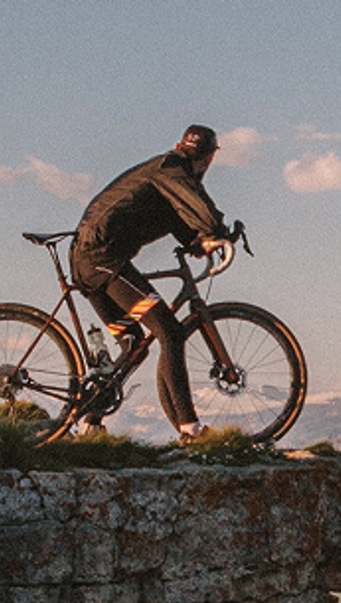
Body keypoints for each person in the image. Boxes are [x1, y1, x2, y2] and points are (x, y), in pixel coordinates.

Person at [70, 124, 233, 440]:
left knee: (133, 343)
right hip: (103, 261)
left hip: (89, 260)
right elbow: (199, 206)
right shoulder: (174, 169)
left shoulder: (164, 174)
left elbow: (178, 219)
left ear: (180, 145)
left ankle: (90, 423)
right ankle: (190, 427)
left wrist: (197, 242)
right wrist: (218, 231)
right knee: (170, 331)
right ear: (210, 157)